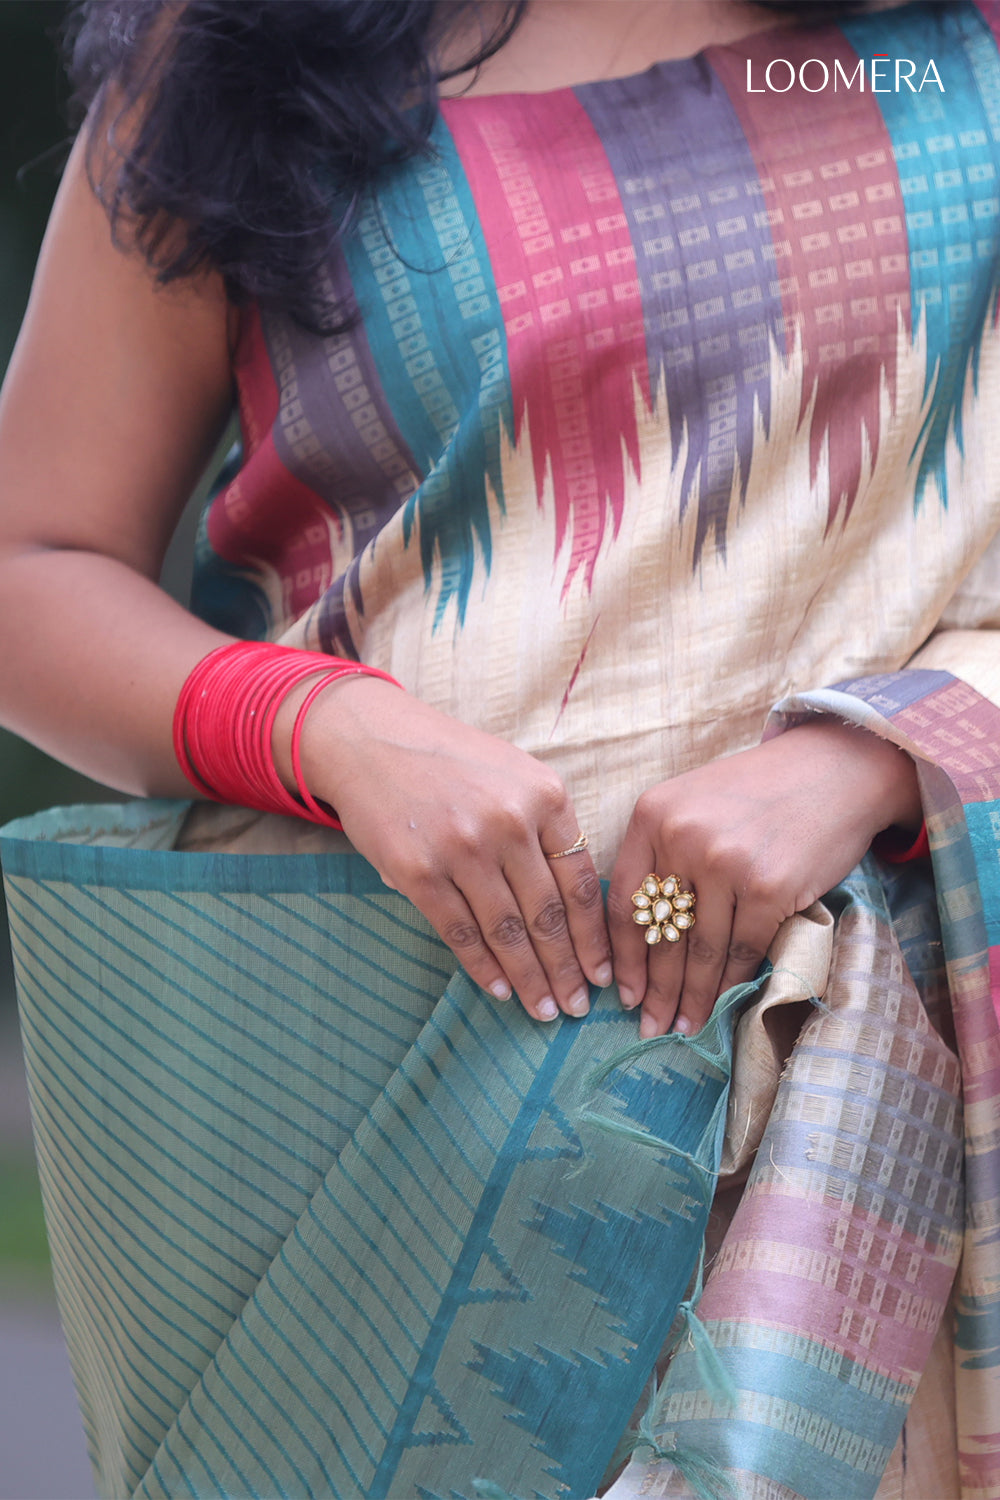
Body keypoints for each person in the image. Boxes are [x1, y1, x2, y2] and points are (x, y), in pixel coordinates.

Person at [0, 0, 997, 1496]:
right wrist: (321, 724)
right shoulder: (241, 50)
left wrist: (875, 757)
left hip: (913, 1136)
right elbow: (32, 561)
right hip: (425, 1135)